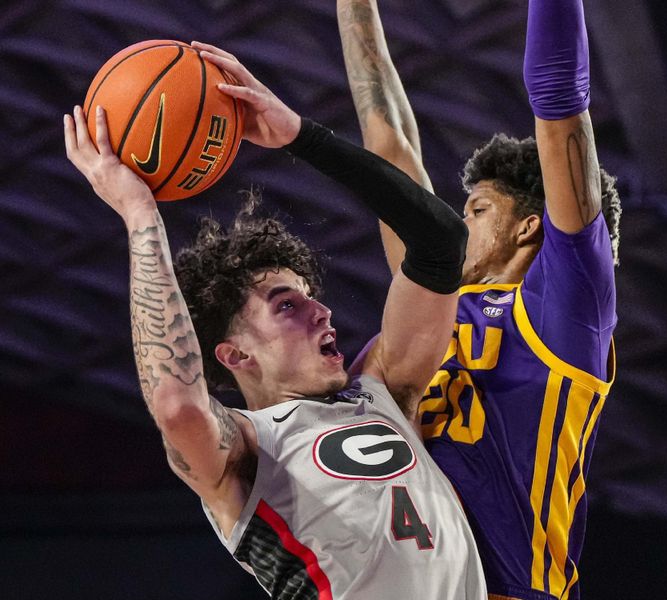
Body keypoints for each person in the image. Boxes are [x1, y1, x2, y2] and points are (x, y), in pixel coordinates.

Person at [63, 41, 486, 600]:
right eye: (287, 305)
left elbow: (442, 242)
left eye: (309, 297)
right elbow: (177, 405)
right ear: (236, 355)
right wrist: (140, 214)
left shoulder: (384, 392)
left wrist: (300, 137)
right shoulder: (244, 450)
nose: (321, 310)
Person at [337, 1, 621, 599]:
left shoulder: (565, 312)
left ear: (529, 227)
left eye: (478, 210)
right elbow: (390, 148)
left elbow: (558, 100)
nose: (456, 225)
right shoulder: (435, 302)